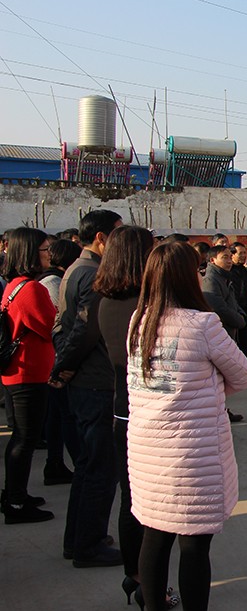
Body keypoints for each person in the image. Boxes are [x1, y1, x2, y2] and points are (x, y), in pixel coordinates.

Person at [127, 241, 247, 611]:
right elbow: (243, 375)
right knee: (194, 543)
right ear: (188, 277)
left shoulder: (139, 321)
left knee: (155, 535)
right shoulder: (202, 324)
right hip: (191, 452)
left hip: (147, 450)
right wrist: (208, 388)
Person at [93, 226, 177, 608]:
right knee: (156, 511)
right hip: (151, 412)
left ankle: (136, 577)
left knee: (132, 501)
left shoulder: (105, 302)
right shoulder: (148, 307)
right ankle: (152, 586)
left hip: (123, 410)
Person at [52, 208, 123, 567]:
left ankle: (77, 539)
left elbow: (63, 327)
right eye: (117, 234)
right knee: (100, 468)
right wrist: (64, 366)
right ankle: (88, 545)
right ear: (101, 239)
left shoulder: (74, 269)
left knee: (87, 465)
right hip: (95, 382)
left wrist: (64, 366)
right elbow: (83, 331)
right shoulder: (95, 275)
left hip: (85, 381)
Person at [0, 228, 57, 524]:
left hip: (21, 371)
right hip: (28, 372)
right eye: (45, 249)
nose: (49, 254)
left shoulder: (16, 285)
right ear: (30, 253)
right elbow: (49, 326)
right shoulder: (32, 289)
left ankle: (15, 493)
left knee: (22, 437)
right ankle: (16, 501)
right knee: (25, 438)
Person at [36, 238, 82, 486]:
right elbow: (58, 323)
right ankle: (77, 463)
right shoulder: (53, 283)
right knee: (66, 416)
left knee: (56, 416)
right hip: (57, 359)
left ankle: (55, 463)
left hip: (53, 359)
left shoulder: (51, 280)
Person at [201, 245, 245, 340]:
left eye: (230, 257)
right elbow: (218, 308)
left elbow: (232, 302)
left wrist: (241, 314)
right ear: (212, 260)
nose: (229, 261)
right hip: (218, 334)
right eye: (225, 257)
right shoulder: (210, 280)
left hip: (228, 331)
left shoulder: (224, 277)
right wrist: (239, 320)